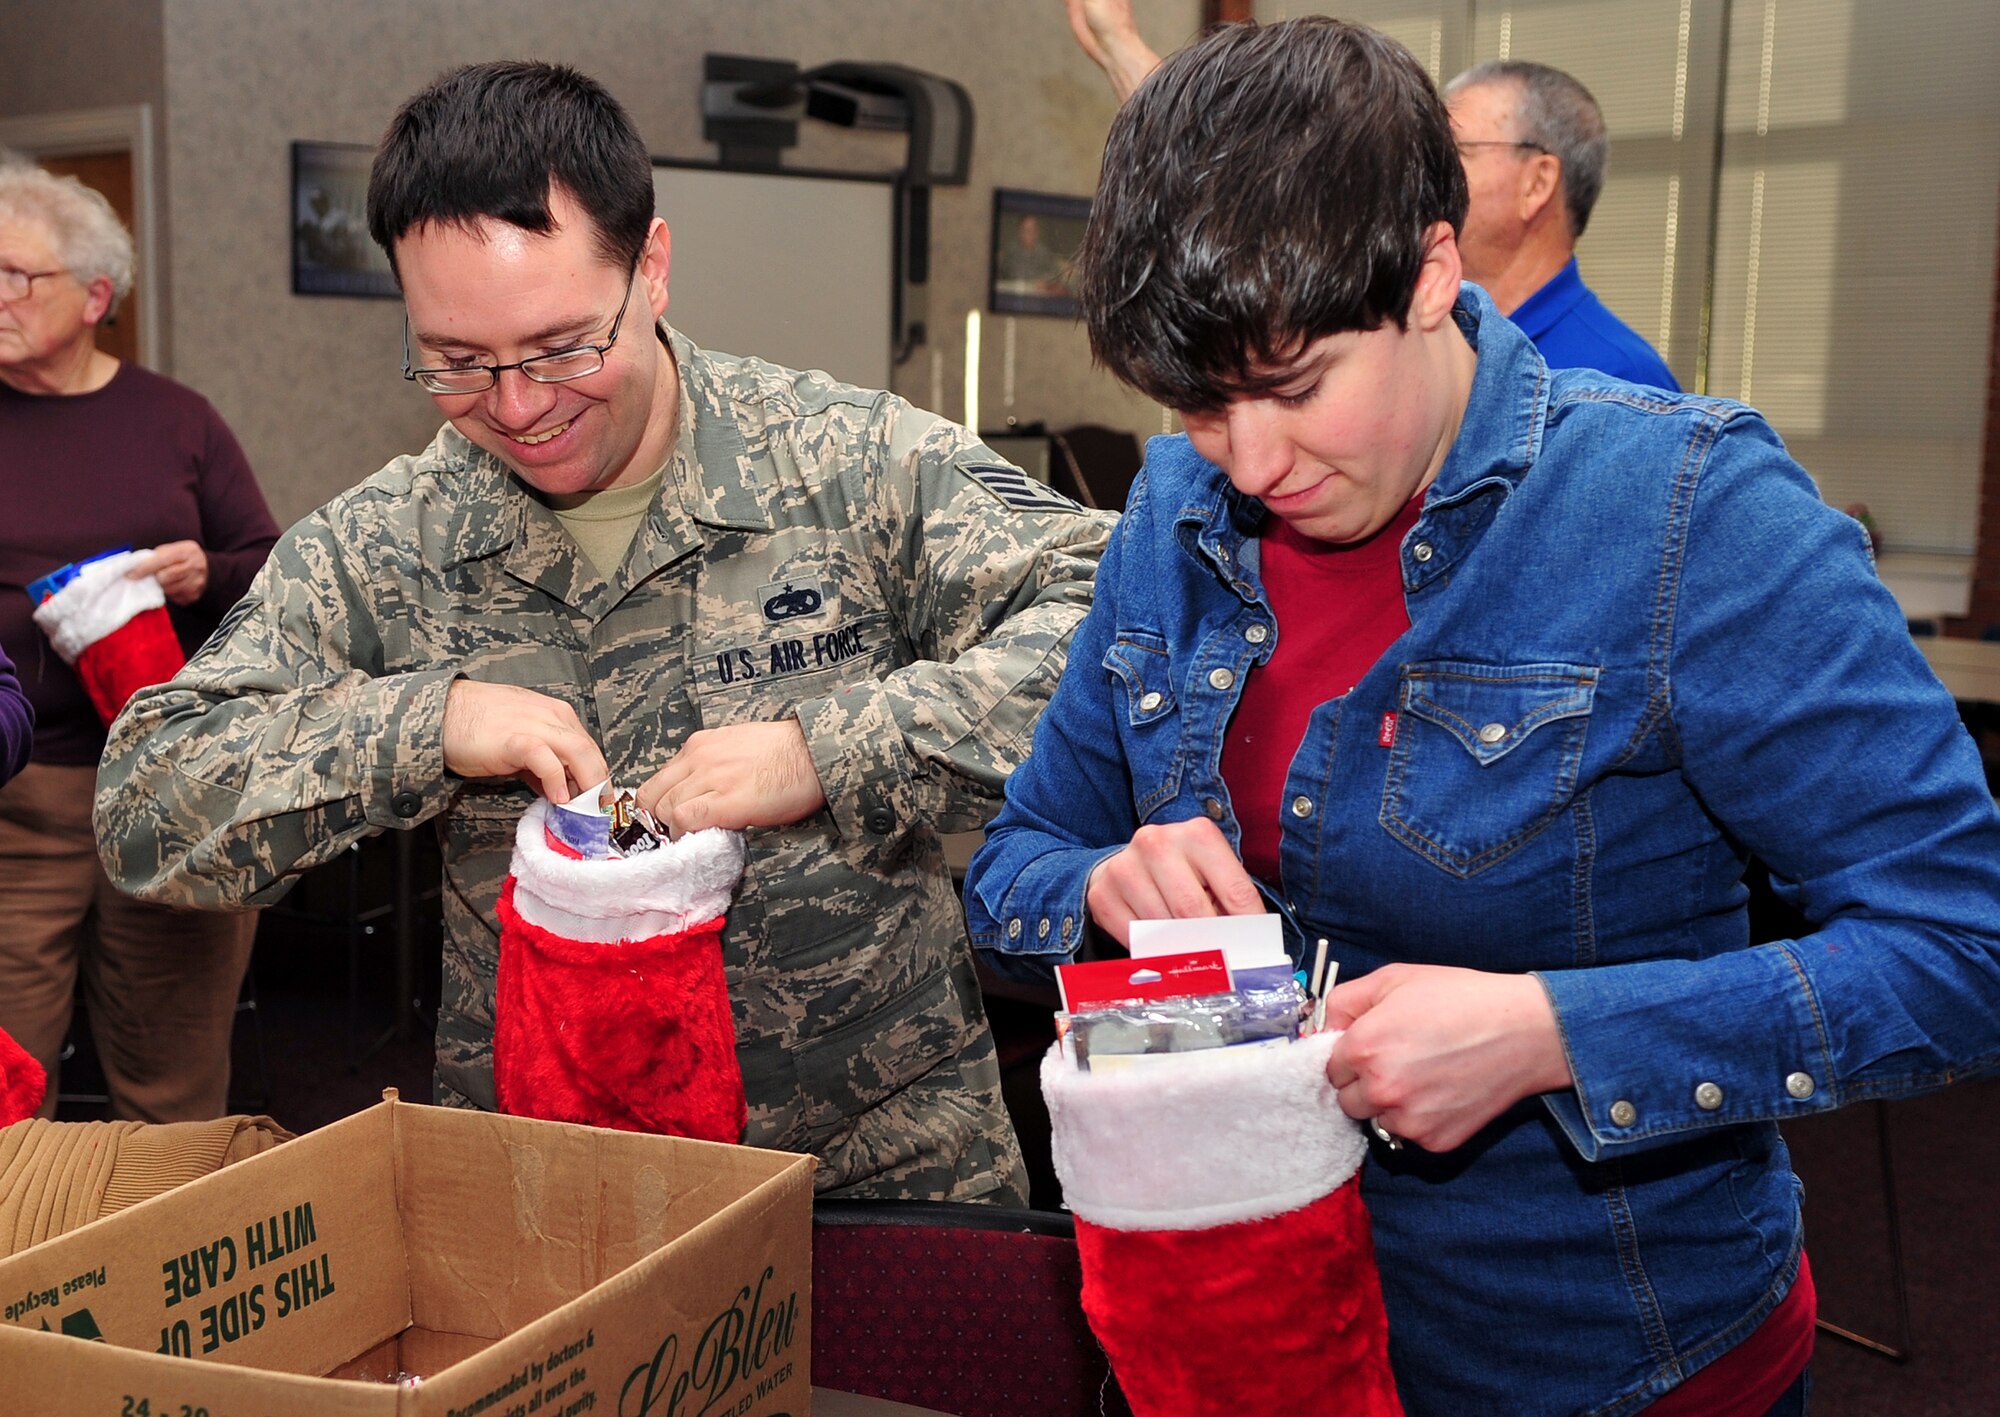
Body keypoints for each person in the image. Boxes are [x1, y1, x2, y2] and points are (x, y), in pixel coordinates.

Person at [966, 18, 2000, 1415]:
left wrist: (1553, 1034)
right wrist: (1098, 878)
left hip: (1596, 1356)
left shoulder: (1688, 513)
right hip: (1245, 1330)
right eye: (1199, 407)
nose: (1253, 462)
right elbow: (1011, 862)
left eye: (1294, 387)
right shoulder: (1173, 507)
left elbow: (1961, 949)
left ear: (1434, 268)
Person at [95, 62, 1112, 1203]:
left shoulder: (851, 463)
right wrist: (423, 723)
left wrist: (826, 752)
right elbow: (148, 802)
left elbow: (1125, 634)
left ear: (654, 268)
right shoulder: (390, 542)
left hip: (874, 1166)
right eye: (457, 362)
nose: (518, 406)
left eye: (561, 346)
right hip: (551, 1181)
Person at [0, 162, 280, 1122]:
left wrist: (204, 570)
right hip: (15, 801)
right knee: (4, 1082)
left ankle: (159, 1256)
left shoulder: (176, 420)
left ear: (94, 297)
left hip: (168, 786)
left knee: (173, 1075)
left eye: (13, 275)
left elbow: (271, 565)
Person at [1061, 0, 1679, 389]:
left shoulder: (1617, 380)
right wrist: (1120, 46)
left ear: (1538, 184)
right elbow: (1241, 185)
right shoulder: (1401, 317)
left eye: (1453, 147)